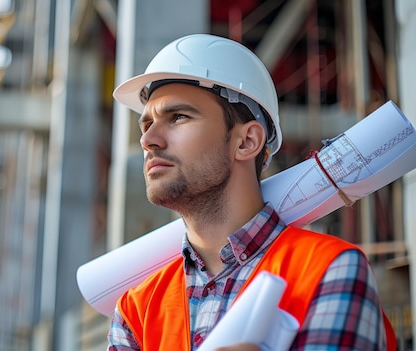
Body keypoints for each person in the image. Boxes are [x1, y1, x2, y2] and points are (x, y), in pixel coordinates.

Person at [107, 34, 397, 350]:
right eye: (146, 124)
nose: (148, 139)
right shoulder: (135, 311)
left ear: (246, 142)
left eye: (178, 117)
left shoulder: (330, 269)